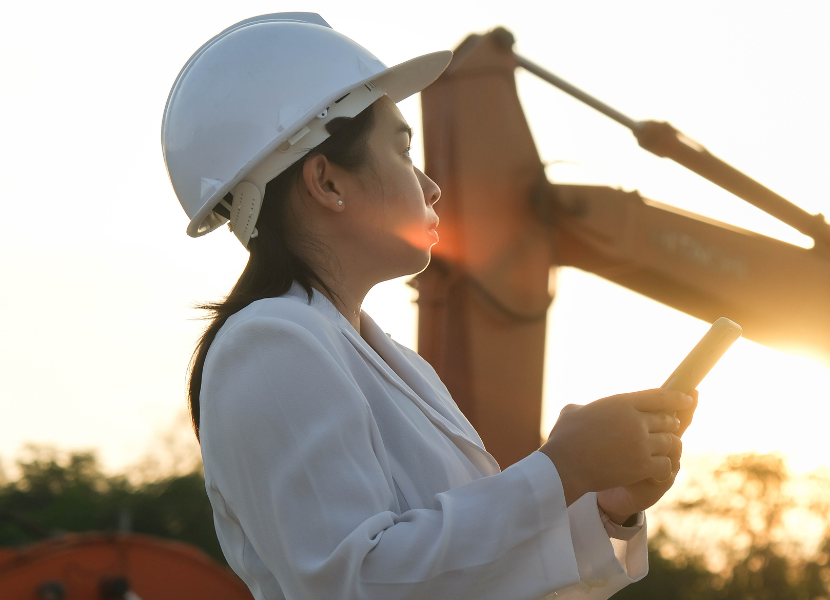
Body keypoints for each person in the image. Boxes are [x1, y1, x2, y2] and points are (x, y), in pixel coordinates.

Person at [160, 13, 697, 600]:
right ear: (327, 182)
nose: (431, 185)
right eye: (402, 150)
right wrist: (561, 468)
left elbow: (471, 578)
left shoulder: (393, 362)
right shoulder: (269, 343)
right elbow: (353, 584)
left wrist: (604, 507)